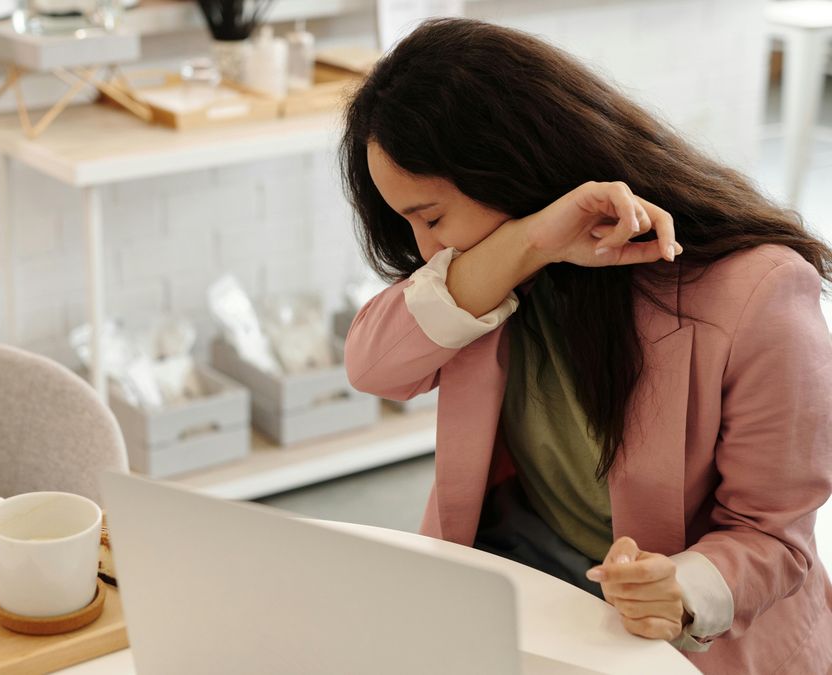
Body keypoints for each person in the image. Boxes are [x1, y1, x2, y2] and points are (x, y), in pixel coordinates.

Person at [342, 18, 831, 673]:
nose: (428, 250)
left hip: (671, 627)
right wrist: (529, 243)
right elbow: (371, 366)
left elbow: (774, 536)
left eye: (430, 217)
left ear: (509, 166)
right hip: (512, 568)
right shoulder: (488, 273)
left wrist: (680, 589)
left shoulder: (758, 291)